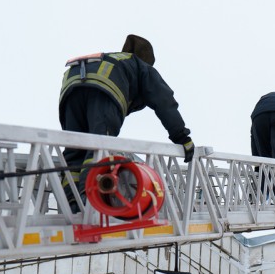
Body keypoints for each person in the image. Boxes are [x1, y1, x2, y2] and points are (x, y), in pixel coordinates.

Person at [58, 34, 194, 213]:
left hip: (71, 91)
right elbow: (164, 101)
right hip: (103, 91)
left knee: (75, 152)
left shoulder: (112, 60)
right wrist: (182, 137)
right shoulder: (140, 66)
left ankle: (71, 203)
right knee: (99, 149)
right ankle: (87, 203)